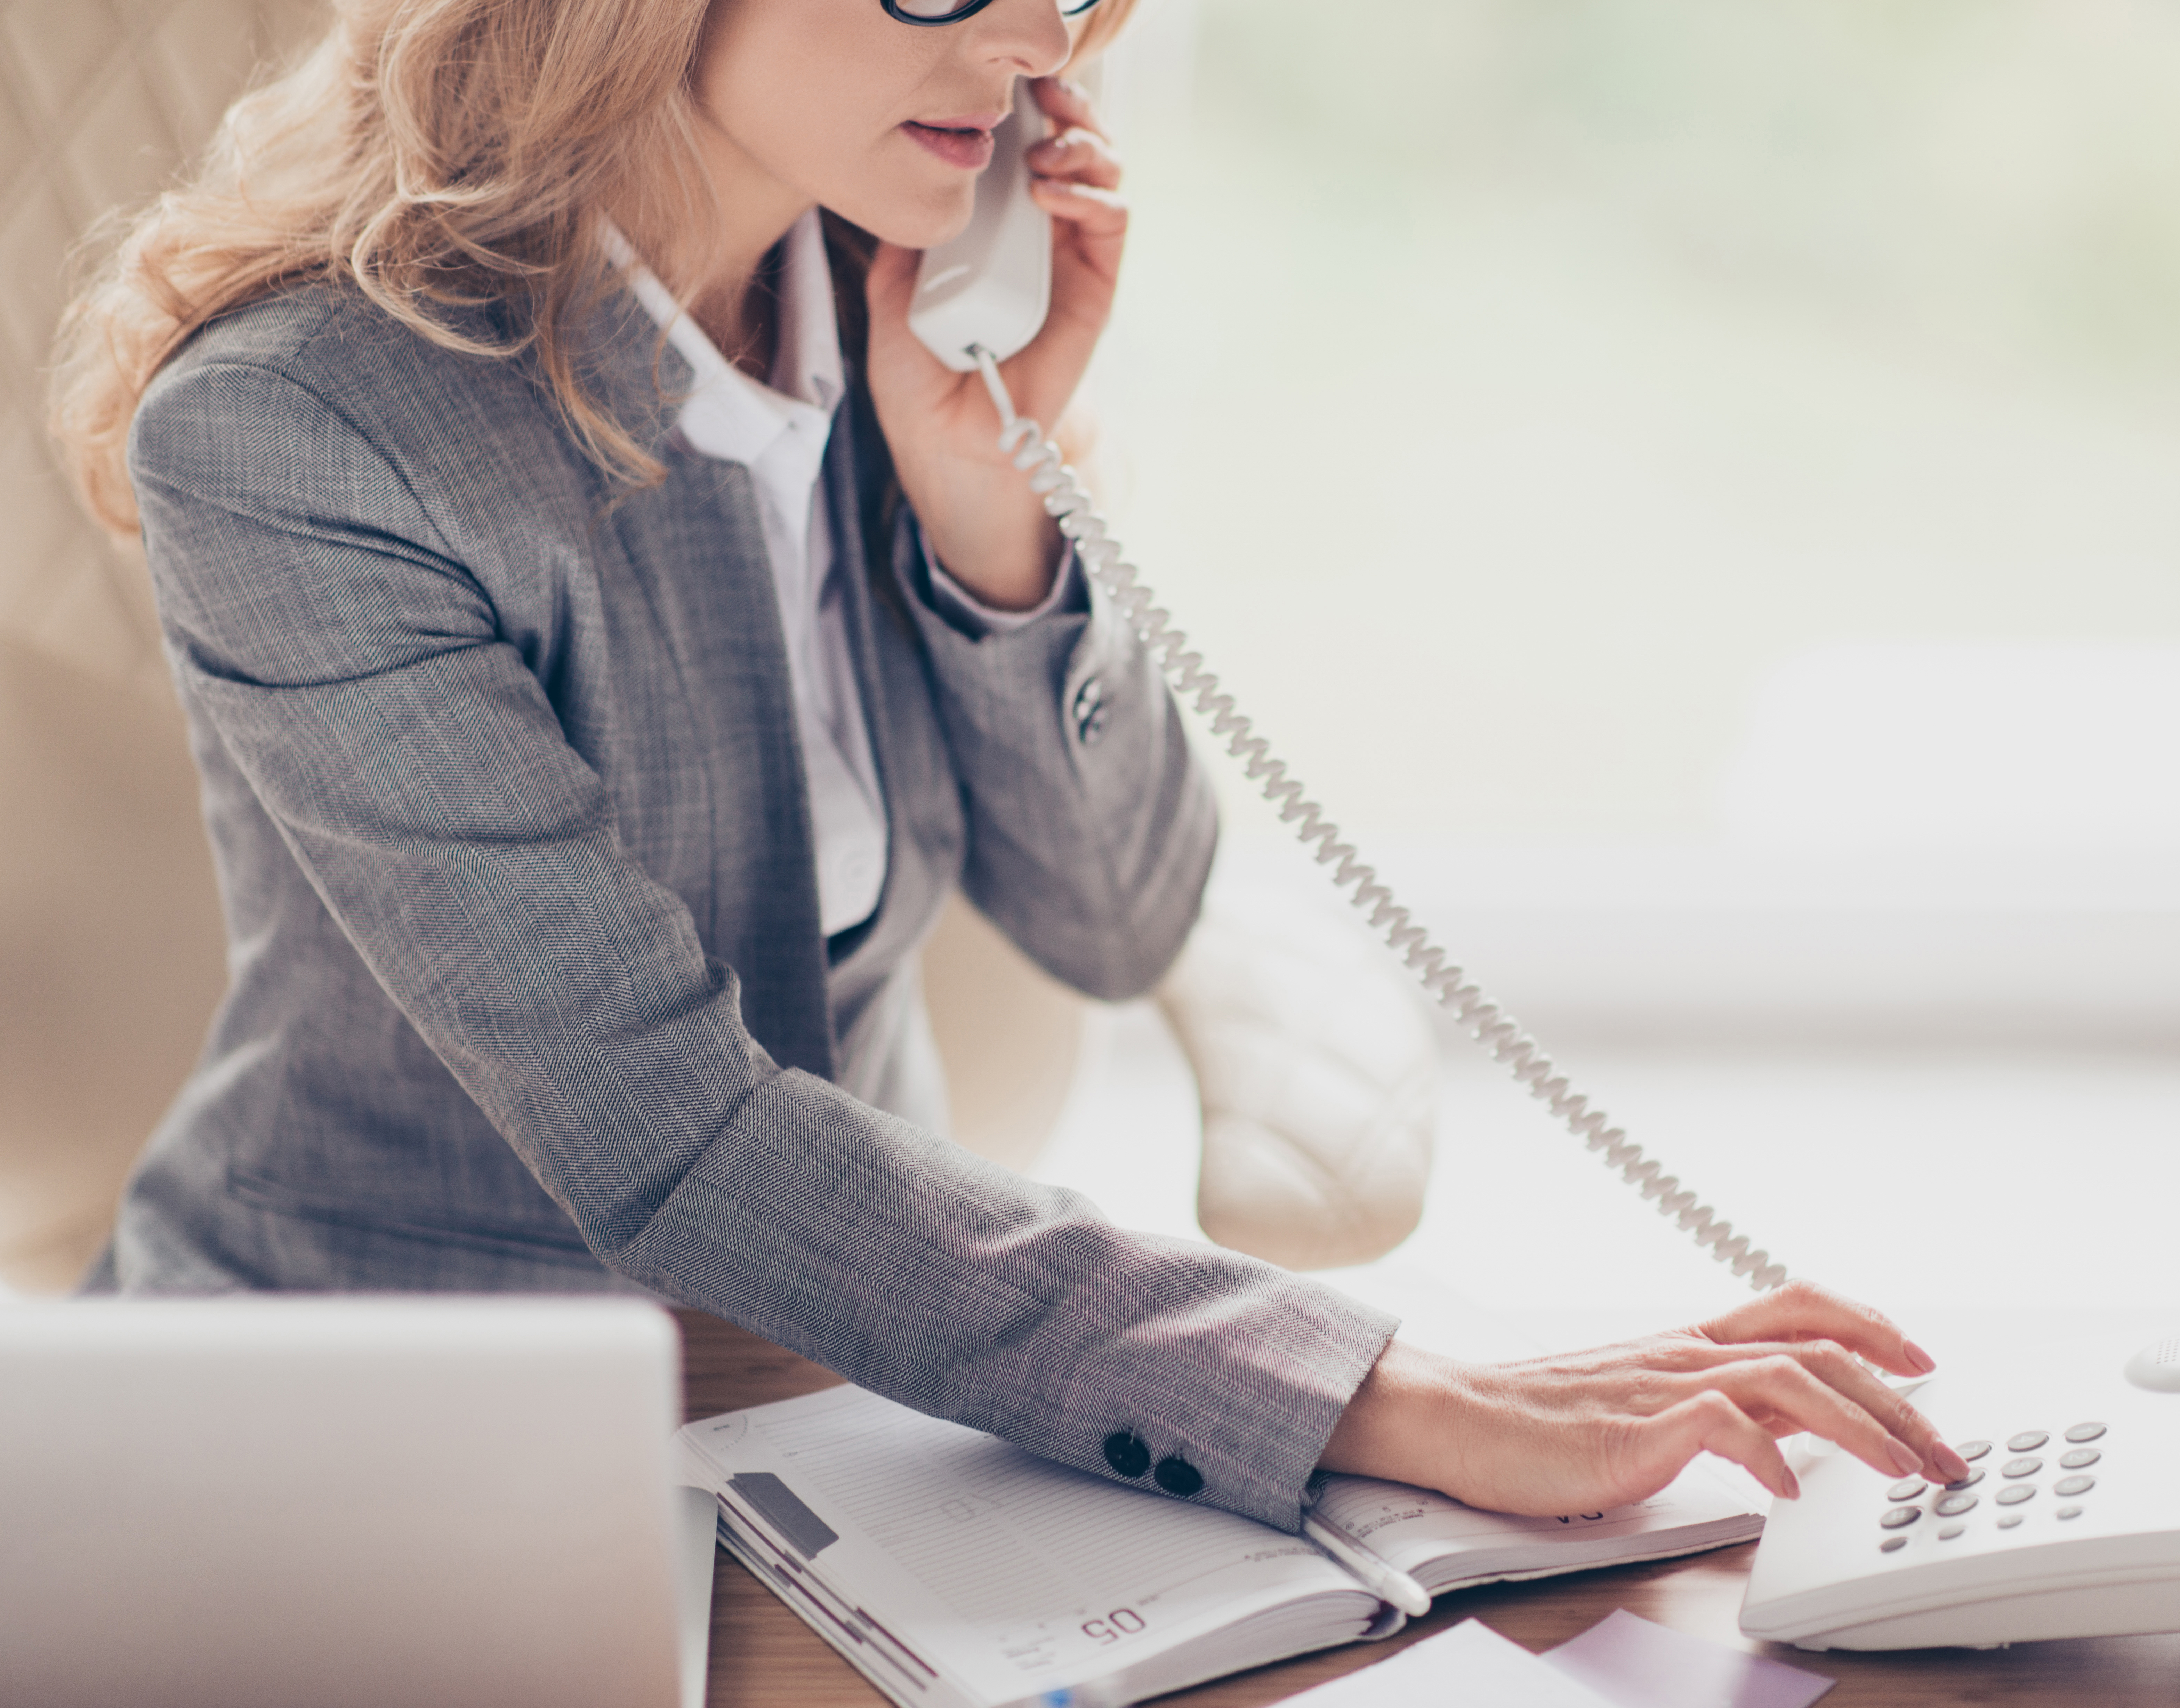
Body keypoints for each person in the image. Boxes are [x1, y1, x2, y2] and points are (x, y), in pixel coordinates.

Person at [49, 0, 1969, 1532]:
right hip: (366, 1442)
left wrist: (996, 525)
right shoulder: (297, 432)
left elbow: (1117, 918)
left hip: (875, 1404)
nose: (1042, 42)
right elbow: (671, 1134)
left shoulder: (897, 301)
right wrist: (1381, 1392)